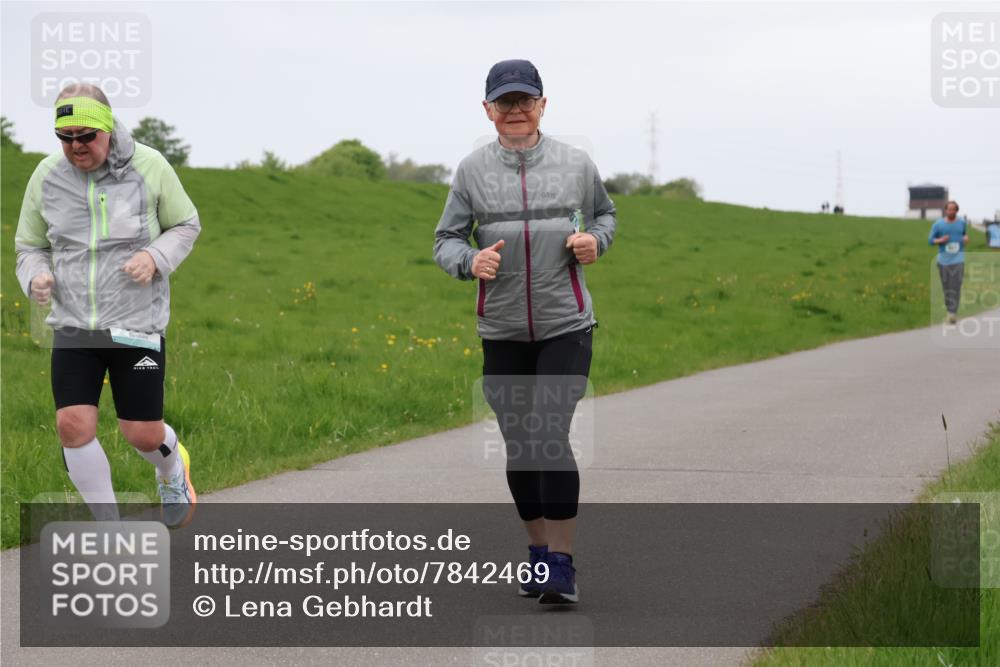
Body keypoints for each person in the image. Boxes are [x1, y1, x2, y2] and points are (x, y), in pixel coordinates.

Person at [434, 60, 616, 604]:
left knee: (548, 431)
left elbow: (605, 217)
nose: (516, 110)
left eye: (525, 100)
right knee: (521, 443)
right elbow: (445, 240)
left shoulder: (576, 164)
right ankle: (538, 553)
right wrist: (470, 262)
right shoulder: (470, 172)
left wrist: (595, 244)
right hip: (504, 327)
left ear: (542, 105)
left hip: (566, 323)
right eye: (504, 102)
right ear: (488, 110)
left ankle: (561, 564)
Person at [15, 83, 201, 526]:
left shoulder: (149, 166)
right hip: (75, 324)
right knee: (72, 426)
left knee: (140, 433)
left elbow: (186, 225)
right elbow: (29, 245)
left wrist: (153, 258)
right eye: (65, 137)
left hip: (136, 323)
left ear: (108, 129)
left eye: (85, 136)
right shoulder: (46, 176)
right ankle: (109, 526)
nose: (75, 147)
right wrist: (35, 275)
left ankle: (172, 469)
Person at [928, 200, 968, 324]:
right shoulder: (938, 224)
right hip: (943, 261)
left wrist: (965, 238)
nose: (951, 211)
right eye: (949, 209)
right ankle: (949, 310)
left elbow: (964, 234)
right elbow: (930, 240)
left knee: (956, 286)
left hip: (958, 259)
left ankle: (952, 313)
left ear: (957, 210)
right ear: (945, 210)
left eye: (953, 209)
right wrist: (940, 240)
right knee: (947, 287)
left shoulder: (962, 223)